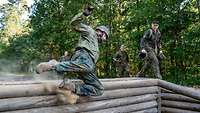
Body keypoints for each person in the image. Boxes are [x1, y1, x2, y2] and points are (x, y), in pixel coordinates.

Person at [36, 4, 109, 104]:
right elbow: (74, 24)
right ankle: (53, 65)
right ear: (101, 32)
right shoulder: (90, 31)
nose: (105, 39)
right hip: (83, 56)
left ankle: (71, 86)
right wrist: (84, 14)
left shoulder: (96, 43)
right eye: (105, 36)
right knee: (88, 66)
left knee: (99, 88)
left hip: (87, 64)